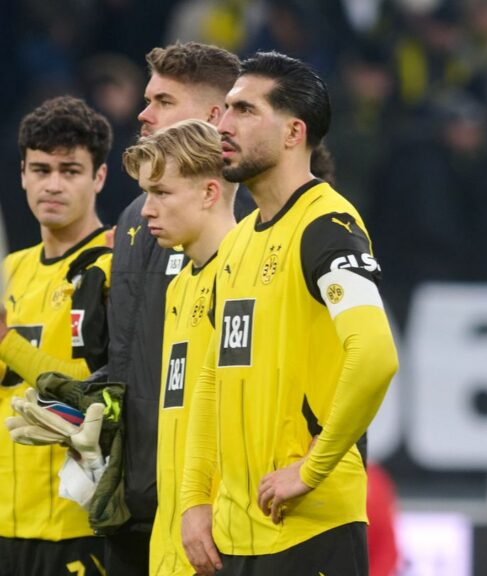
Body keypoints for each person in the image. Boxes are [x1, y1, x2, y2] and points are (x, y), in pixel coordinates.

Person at [179, 51, 398, 576]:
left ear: (293, 132)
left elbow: (375, 355)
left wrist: (312, 470)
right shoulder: (235, 246)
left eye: (245, 111)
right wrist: (195, 501)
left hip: (310, 529)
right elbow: (211, 377)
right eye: (226, 109)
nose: (224, 125)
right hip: (236, 535)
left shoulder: (327, 224)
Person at [104, 41, 241, 574]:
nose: (143, 114)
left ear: (212, 116)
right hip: (136, 497)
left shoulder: (250, 212)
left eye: (162, 101)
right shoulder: (138, 214)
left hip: (205, 507)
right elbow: (133, 352)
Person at [0, 96, 113, 575]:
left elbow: (95, 387)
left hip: (76, 524)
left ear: (99, 178)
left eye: (70, 170)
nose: (52, 184)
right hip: (7, 522)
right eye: (41, 169)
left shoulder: (111, 268)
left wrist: (7, 342)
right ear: (23, 173)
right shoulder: (11, 269)